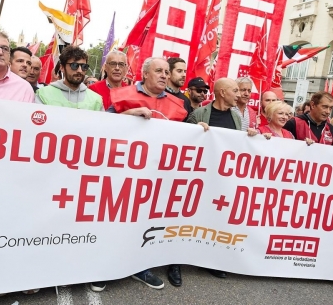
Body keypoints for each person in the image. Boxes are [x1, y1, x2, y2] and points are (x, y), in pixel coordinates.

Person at [100, 57, 187, 291]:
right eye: (159, 71)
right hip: (122, 173)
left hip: (157, 176)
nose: (164, 75)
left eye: (166, 72)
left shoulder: (178, 105)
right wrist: (129, 116)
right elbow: (100, 127)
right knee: (115, 220)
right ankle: (104, 268)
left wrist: (200, 131)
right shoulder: (122, 95)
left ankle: (139, 268)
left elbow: (184, 139)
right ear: (145, 73)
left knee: (144, 222)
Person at [172, 77, 258, 286]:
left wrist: (249, 136)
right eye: (235, 91)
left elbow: (235, 144)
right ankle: (174, 261)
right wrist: (194, 129)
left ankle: (208, 259)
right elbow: (182, 141)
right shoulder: (200, 113)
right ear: (222, 93)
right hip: (197, 177)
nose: (239, 95)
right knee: (185, 219)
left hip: (220, 179)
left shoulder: (237, 116)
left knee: (213, 219)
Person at [36, 46, 103, 111]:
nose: (80, 70)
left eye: (84, 66)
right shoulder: (43, 94)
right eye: (74, 65)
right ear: (62, 67)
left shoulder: (96, 100)